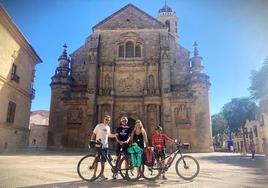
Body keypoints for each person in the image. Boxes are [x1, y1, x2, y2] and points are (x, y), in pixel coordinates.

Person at [91, 115, 115, 180]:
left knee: (103, 162)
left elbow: (109, 135)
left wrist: (115, 135)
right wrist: (92, 141)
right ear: (104, 119)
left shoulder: (108, 127)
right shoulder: (99, 126)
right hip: (98, 146)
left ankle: (102, 174)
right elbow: (94, 134)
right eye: (106, 119)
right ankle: (94, 174)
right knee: (96, 160)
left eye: (108, 120)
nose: (107, 121)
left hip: (105, 146)